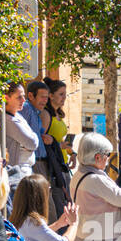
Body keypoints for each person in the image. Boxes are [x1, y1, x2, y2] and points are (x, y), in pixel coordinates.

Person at [39, 79, 74, 227]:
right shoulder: (46, 115)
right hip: (52, 166)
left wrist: (71, 151)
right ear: (51, 95)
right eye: (61, 94)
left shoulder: (59, 115)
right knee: (60, 202)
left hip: (62, 162)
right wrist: (59, 145)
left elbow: (58, 139)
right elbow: (44, 140)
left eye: (65, 94)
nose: (64, 97)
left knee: (67, 200)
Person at [1, 81, 40, 202]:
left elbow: (32, 140)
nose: (23, 100)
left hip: (26, 171)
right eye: (19, 97)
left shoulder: (17, 116)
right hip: (17, 174)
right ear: (6, 98)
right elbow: (32, 142)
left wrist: (29, 141)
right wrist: (28, 143)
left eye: (23, 96)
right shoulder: (9, 120)